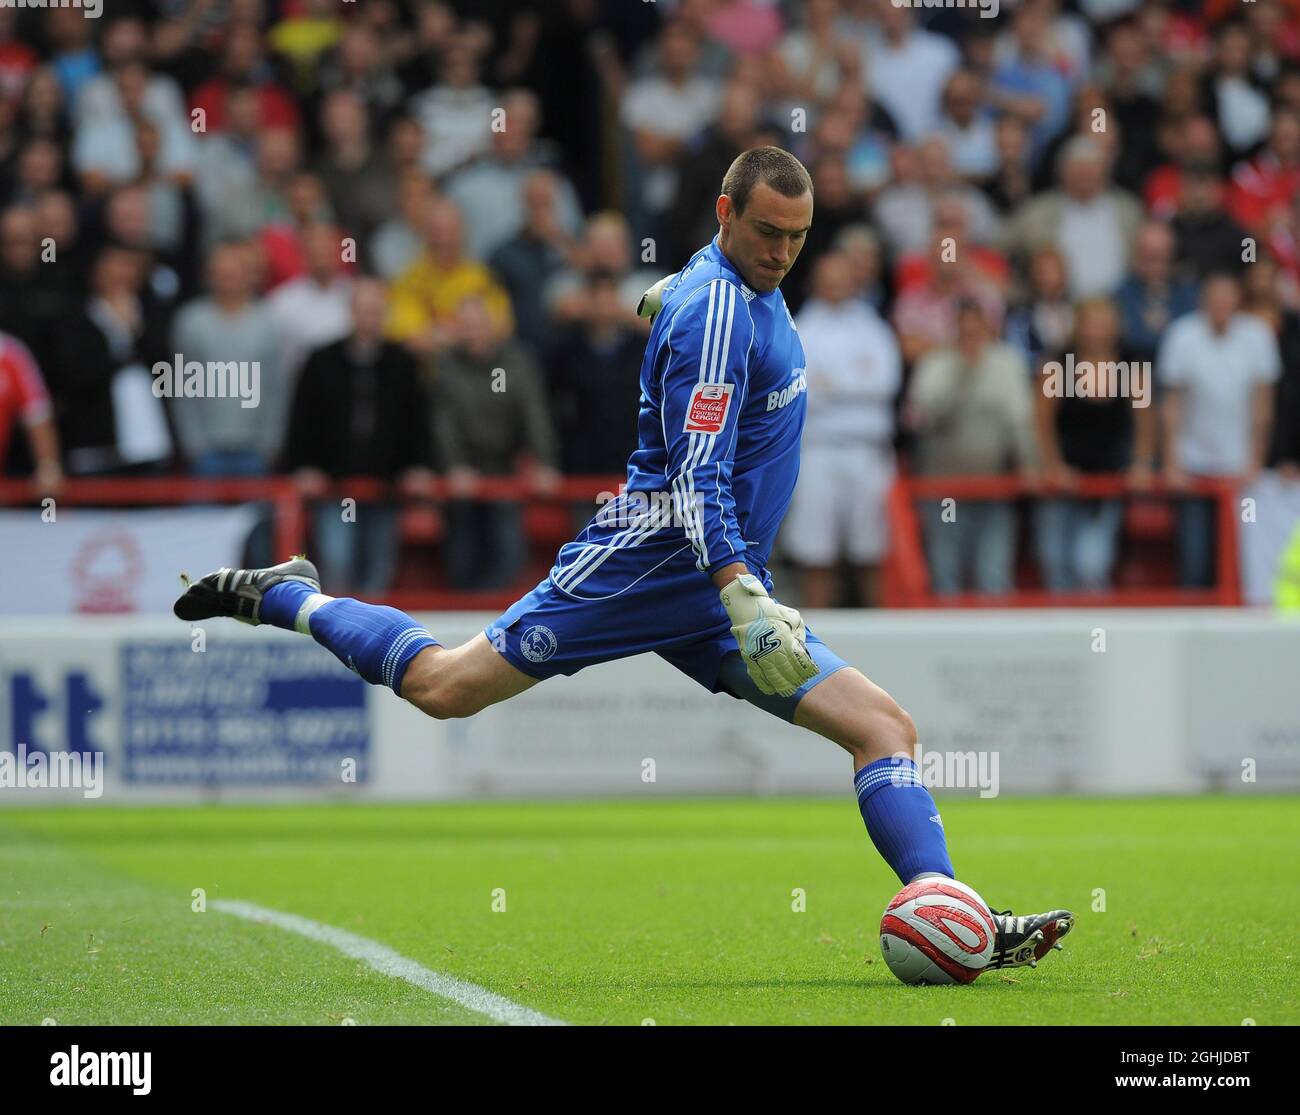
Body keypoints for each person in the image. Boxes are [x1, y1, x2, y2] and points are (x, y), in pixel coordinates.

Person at [174, 147, 1072, 970]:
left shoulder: (730, 286)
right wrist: (741, 589)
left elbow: (697, 300)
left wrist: (669, 298)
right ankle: (291, 597)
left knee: (884, 728)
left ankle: (953, 912)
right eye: (765, 232)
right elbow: (697, 469)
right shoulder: (720, 308)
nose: (783, 252)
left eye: (797, 237)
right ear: (725, 211)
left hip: (717, 588)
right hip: (648, 562)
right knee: (445, 688)